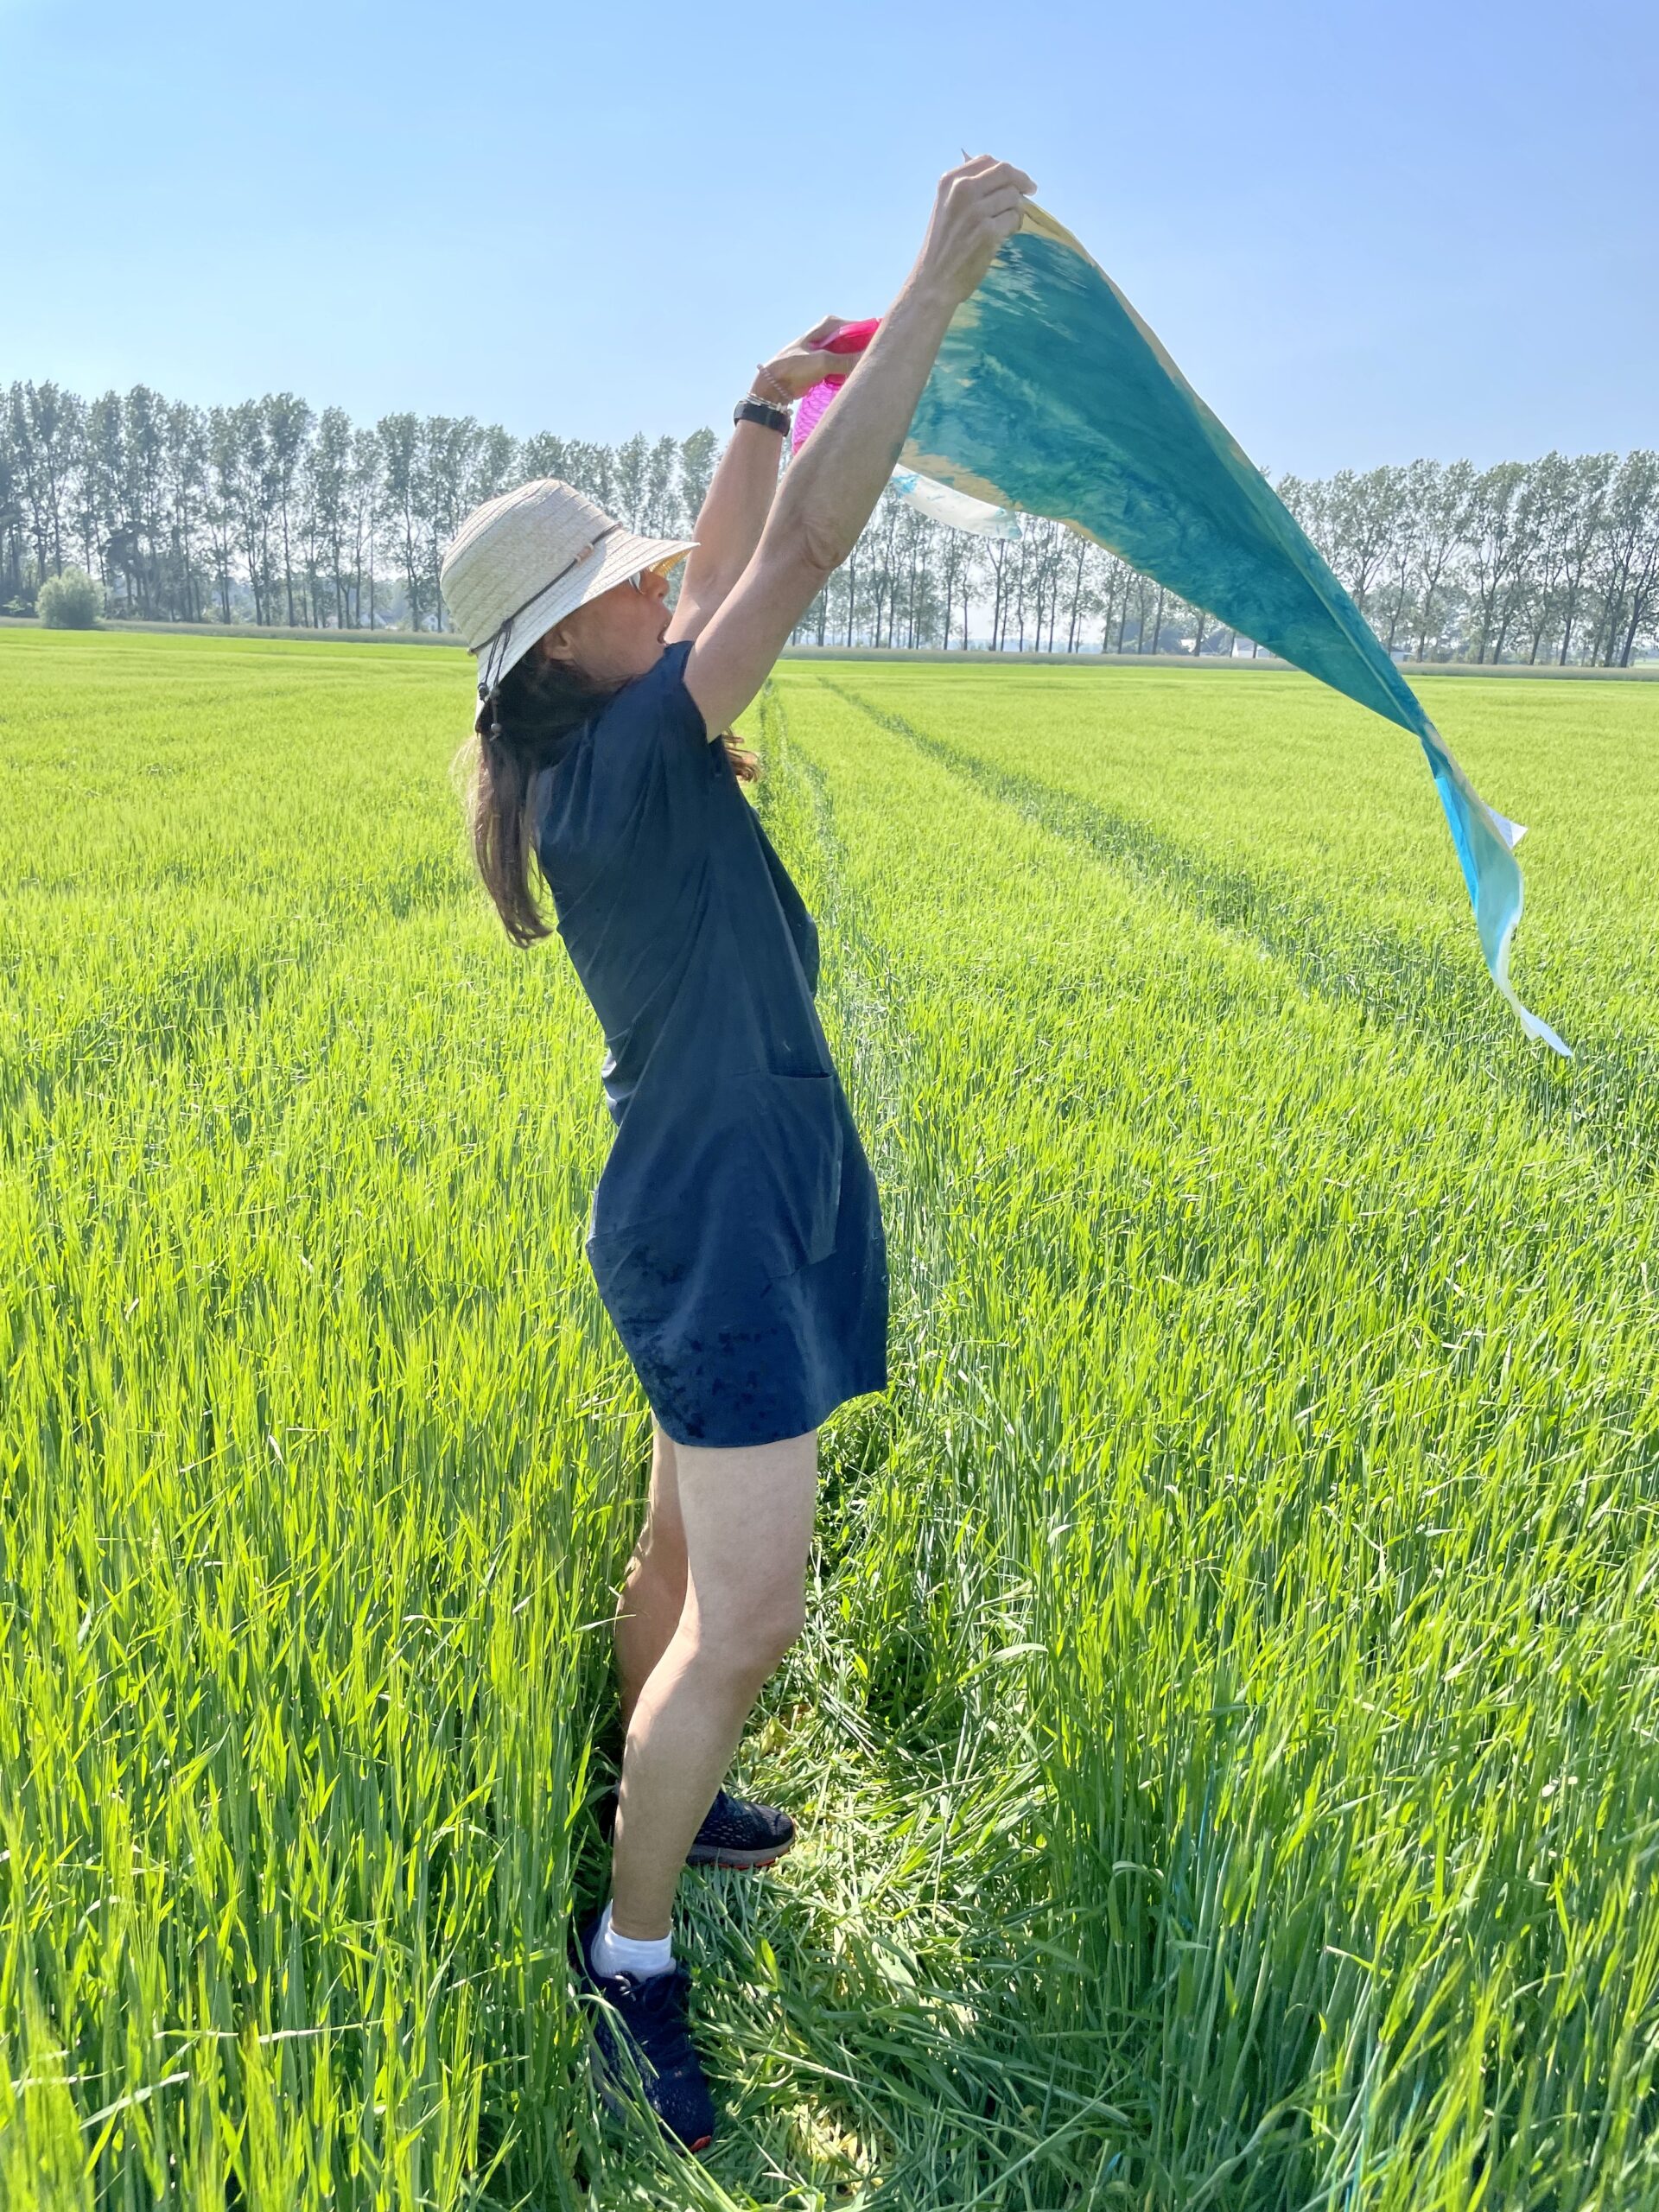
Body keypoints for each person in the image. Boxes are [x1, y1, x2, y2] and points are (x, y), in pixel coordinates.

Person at [438, 153, 1035, 2155]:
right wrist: (928, 291)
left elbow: (716, 552)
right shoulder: (635, 759)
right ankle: (629, 1954)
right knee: (752, 1617)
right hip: (717, 1218)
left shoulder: (598, 744)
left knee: (685, 1554)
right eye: (620, 582)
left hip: (699, 1198)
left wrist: (760, 396)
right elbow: (793, 556)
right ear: (573, 646)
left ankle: (654, 1800)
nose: (654, 580)